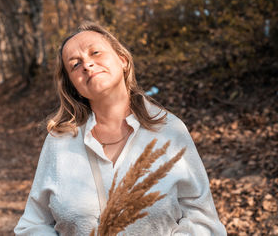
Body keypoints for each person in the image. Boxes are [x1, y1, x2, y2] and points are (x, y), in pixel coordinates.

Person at [14, 22, 227, 235]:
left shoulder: (169, 130)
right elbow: (32, 225)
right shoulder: (60, 141)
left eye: (95, 53)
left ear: (122, 60)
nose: (87, 65)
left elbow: (204, 222)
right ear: (73, 85)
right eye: (75, 64)